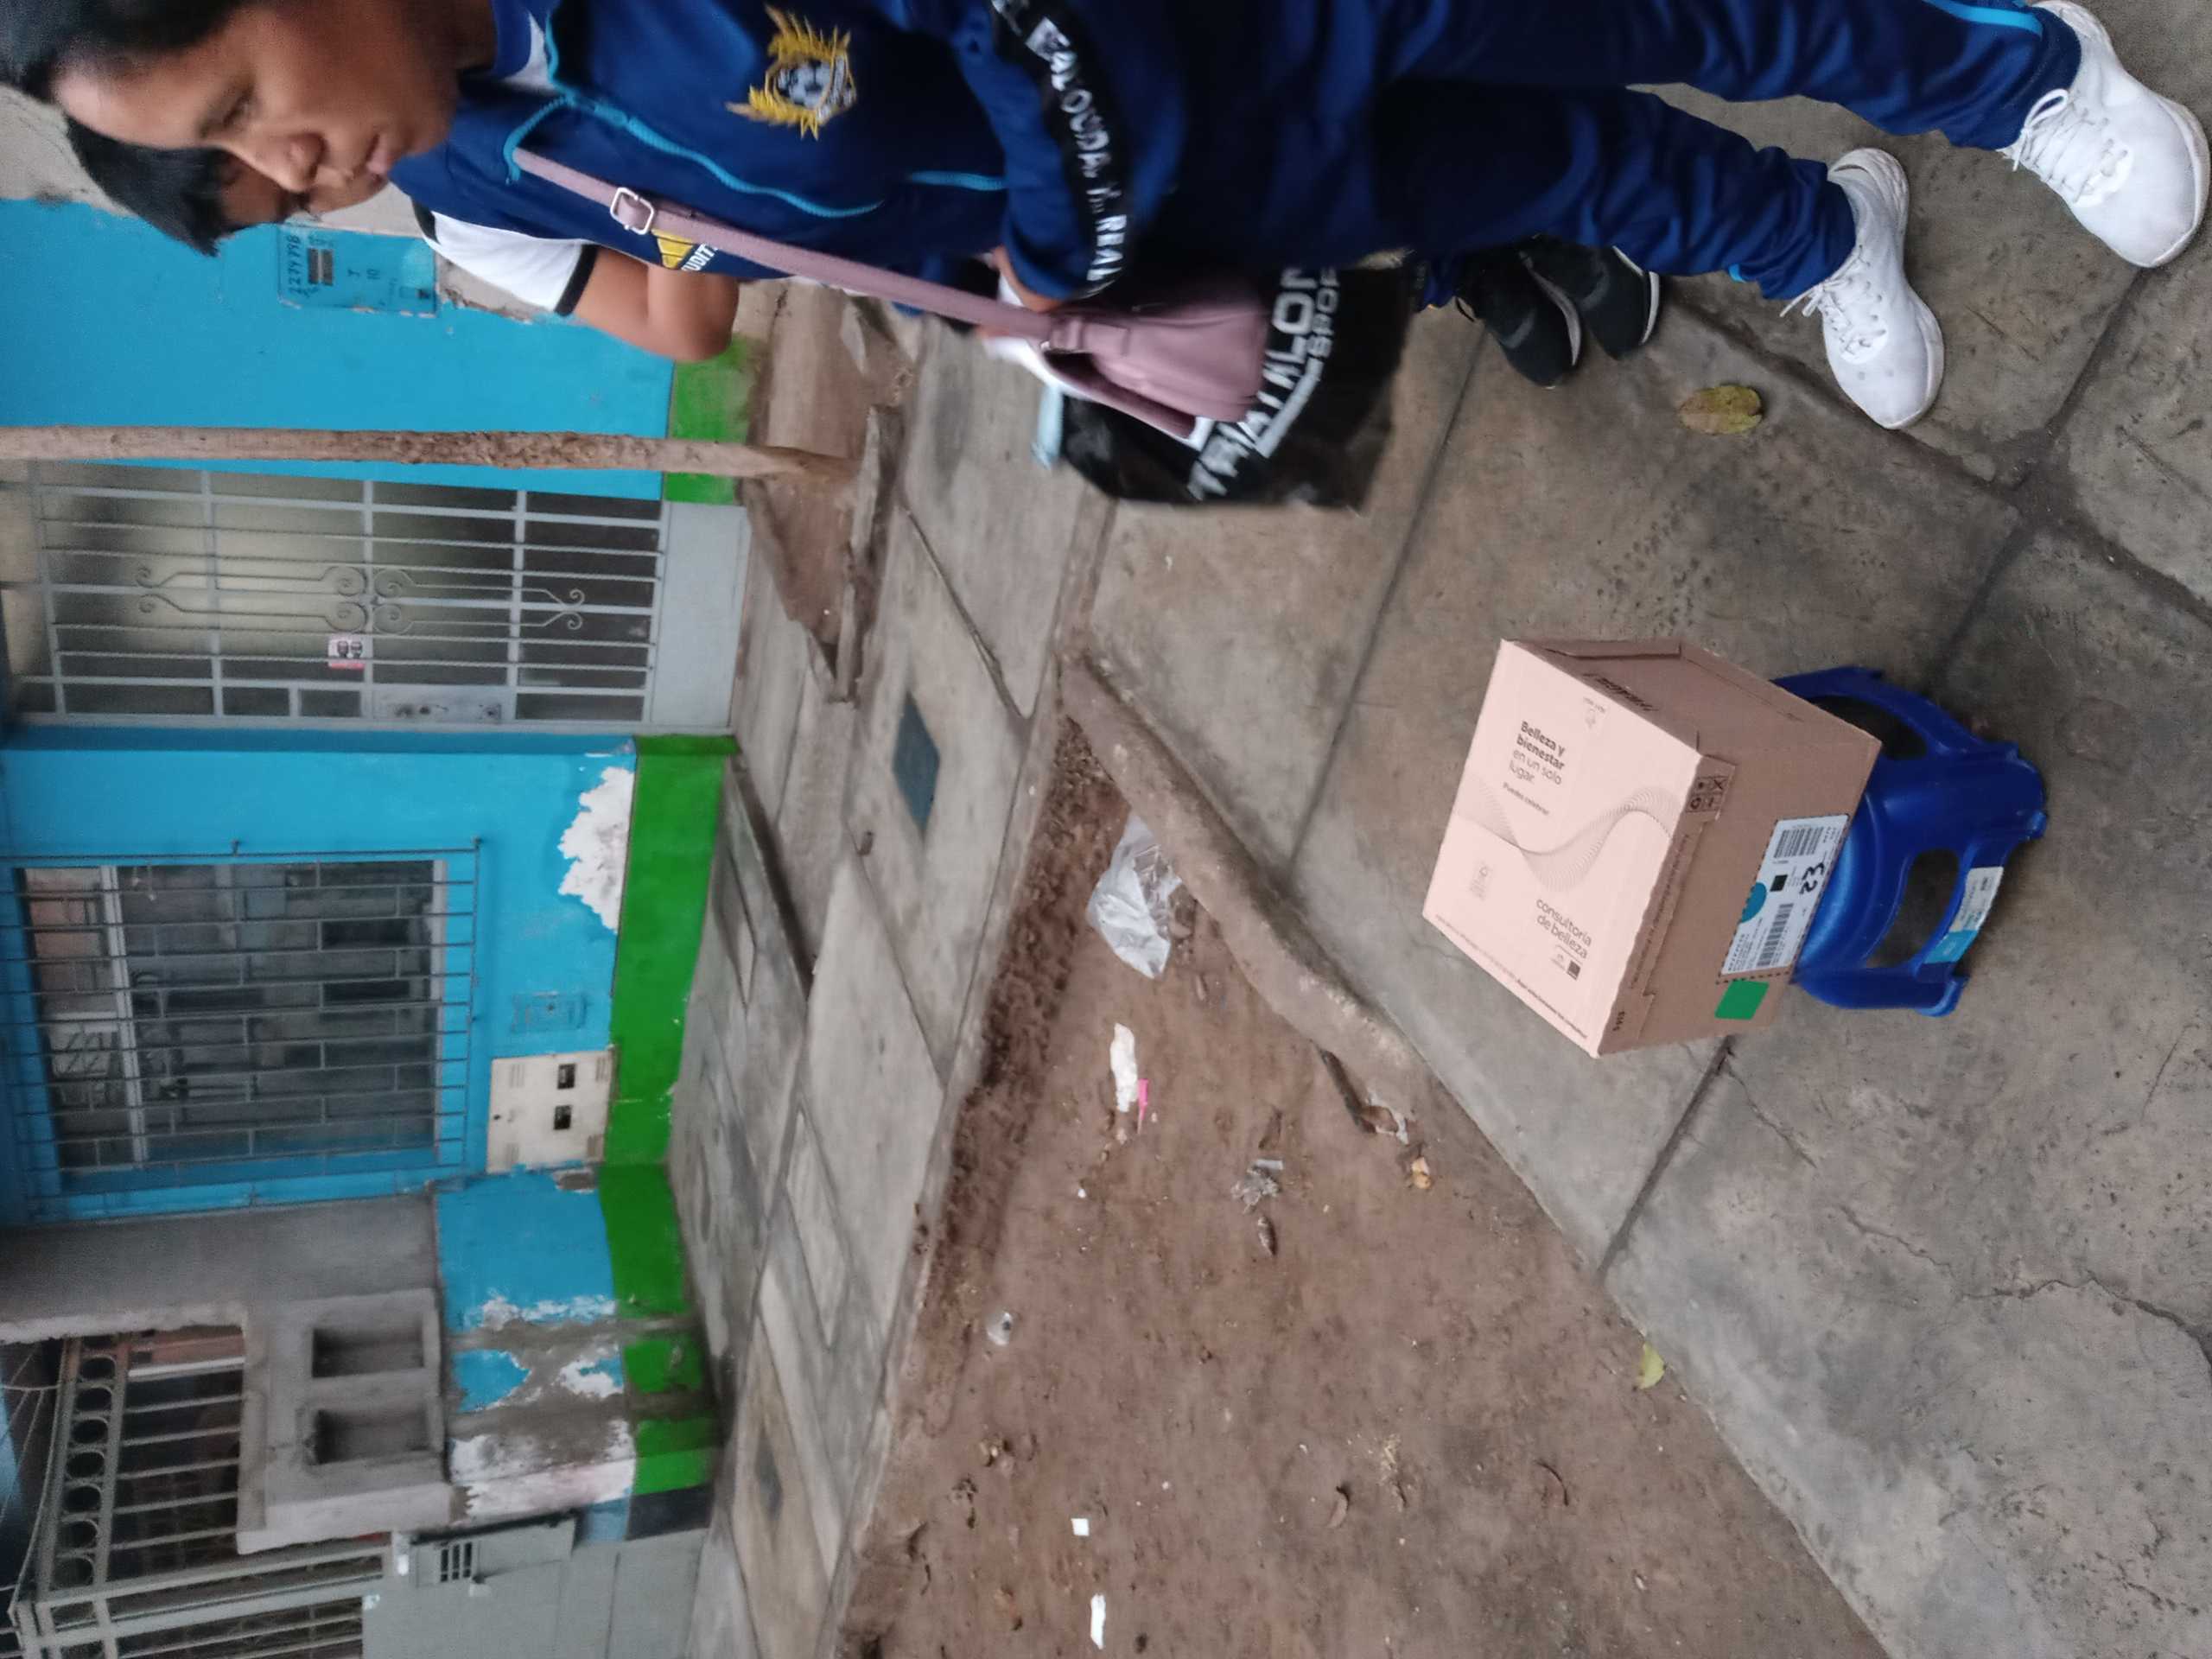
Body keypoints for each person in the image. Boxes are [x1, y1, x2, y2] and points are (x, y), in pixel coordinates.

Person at [8, 0, 2199, 430]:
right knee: (1538, 168)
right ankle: (1815, 237)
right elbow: (733, 272)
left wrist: (1057, 239)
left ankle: (2020, 76)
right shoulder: (482, 169)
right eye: (252, 184)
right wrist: (1050, 306)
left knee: (1649, 7)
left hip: (1212, 34)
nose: (301, 170)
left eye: (250, 109)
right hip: (1186, 205)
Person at [66, 121, 743, 360]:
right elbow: (682, 330)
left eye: (298, 142)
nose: (331, 173)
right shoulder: (463, 221)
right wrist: (681, 185)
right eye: (299, 200)